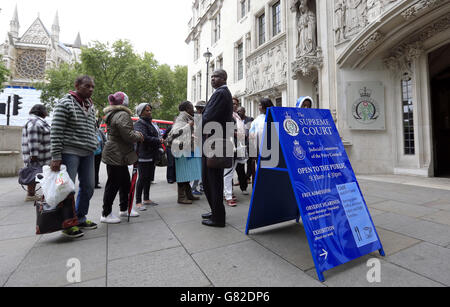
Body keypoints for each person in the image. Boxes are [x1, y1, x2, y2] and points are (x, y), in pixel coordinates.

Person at [51, 75, 99, 239]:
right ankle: (67, 223)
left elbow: (93, 128)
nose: (91, 89)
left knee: (89, 186)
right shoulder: (65, 103)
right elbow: (56, 131)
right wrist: (56, 156)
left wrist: (94, 143)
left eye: (92, 87)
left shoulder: (90, 105)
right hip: (69, 152)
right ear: (77, 86)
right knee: (67, 189)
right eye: (87, 86)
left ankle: (80, 218)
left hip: (88, 152)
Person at [101, 92, 144, 224]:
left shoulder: (113, 113)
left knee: (124, 182)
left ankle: (124, 208)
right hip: (117, 153)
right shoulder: (123, 114)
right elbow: (128, 135)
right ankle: (106, 213)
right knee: (113, 183)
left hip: (116, 152)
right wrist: (139, 136)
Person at [201, 69, 233, 228]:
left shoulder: (221, 93)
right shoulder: (222, 93)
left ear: (224, 79)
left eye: (217, 77)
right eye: (212, 77)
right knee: (209, 179)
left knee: (212, 180)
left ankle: (218, 218)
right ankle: (215, 210)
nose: (213, 79)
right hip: (216, 140)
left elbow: (208, 117)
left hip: (215, 142)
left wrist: (200, 126)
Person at [167, 101, 202, 205]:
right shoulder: (181, 118)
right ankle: (181, 197)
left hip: (186, 149)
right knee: (182, 174)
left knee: (186, 173)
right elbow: (174, 132)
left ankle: (189, 194)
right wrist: (188, 125)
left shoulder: (187, 117)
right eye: (191, 107)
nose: (193, 109)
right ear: (186, 109)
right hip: (181, 150)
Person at [134, 103, 163, 211]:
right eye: (147, 110)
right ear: (141, 112)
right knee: (142, 178)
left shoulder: (150, 123)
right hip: (143, 154)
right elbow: (144, 138)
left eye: (150, 110)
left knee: (148, 178)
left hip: (152, 154)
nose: (149, 112)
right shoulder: (139, 123)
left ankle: (146, 198)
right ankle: (138, 201)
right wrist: (158, 140)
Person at [21, 104, 51, 202]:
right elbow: (33, 140)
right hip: (39, 156)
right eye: (45, 110)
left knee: (33, 173)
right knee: (33, 173)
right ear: (41, 111)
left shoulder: (36, 121)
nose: (47, 112)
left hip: (39, 155)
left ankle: (31, 194)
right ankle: (31, 195)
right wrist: (34, 155)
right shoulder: (35, 122)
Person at [249, 98, 274, 185]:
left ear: (265, 106)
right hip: (258, 148)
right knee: (259, 168)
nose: (258, 107)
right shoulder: (258, 118)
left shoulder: (273, 116)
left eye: (260, 105)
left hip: (271, 148)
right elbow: (252, 130)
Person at [235, 106, 253, 194]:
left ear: (244, 111)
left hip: (248, 145)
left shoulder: (249, 119)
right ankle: (243, 183)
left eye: (240, 111)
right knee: (239, 167)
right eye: (237, 111)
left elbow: (248, 132)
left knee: (249, 164)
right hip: (238, 146)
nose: (239, 112)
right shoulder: (235, 119)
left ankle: (246, 180)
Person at [191, 101, 206, 196]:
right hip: (197, 146)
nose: (199, 110)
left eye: (201, 108)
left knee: (203, 168)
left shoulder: (204, 117)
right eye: (198, 108)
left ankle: (201, 185)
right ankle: (193, 187)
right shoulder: (195, 118)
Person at [163, 117, 177, 184]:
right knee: (170, 163)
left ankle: (174, 177)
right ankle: (170, 178)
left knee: (176, 163)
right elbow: (164, 136)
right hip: (170, 147)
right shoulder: (170, 128)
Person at [94, 121, 107, 189]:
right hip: (90, 153)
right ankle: (93, 182)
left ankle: (95, 182)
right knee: (92, 169)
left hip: (98, 153)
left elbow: (105, 140)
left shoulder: (99, 131)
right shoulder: (89, 131)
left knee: (96, 168)